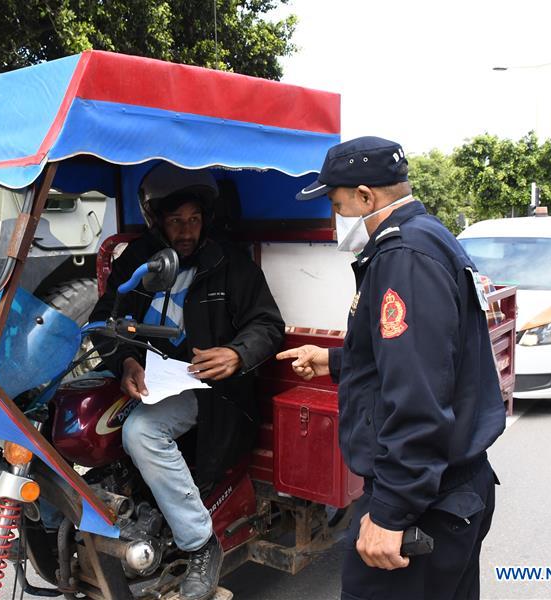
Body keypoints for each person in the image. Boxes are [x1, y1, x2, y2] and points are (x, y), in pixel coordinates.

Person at [277, 136, 506, 600]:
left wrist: (390, 512)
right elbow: (422, 359)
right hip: (450, 490)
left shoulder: (404, 257)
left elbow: (419, 398)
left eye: (338, 205)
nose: (336, 218)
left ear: (366, 196)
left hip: (427, 502)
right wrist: (334, 360)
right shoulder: (426, 236)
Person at [89, 162, 285, 600]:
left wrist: (236, 353)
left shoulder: (228, 263)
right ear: (157, 221)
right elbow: (105, 318)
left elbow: (268, 325)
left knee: (142, 432)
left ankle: (200, 544)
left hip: (212, 389)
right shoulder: (138, 261)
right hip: (149, 380)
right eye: (176, 221)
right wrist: (125, 361)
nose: (186, 231)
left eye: (194, 220)